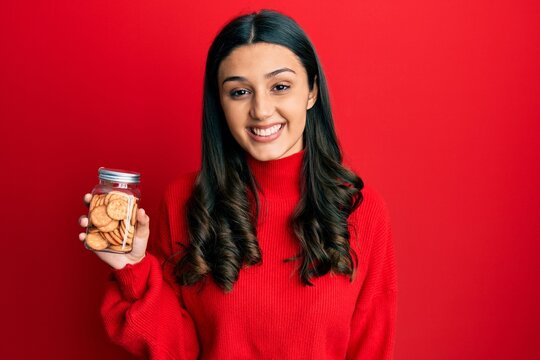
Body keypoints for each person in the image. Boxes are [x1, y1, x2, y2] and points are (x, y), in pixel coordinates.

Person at [78, 9, 397, 359]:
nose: (261, 110)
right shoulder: (185, 201)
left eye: (280, 87)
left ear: (311, 92)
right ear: (220, 103)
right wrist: (132, 265)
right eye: (240, 92)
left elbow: (372, 346)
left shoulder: (361, 210)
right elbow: (177, 350)